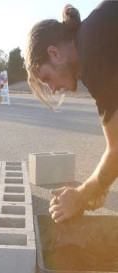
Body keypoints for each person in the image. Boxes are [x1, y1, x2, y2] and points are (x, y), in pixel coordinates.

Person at [25, 0, 118, 223]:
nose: (54, 89)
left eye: (47, 79)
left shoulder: (92, 52)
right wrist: (98, 185)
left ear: (54, 53)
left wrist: (82, 194)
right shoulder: (96, 32)